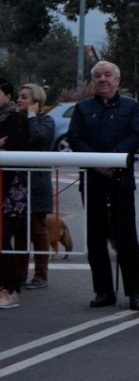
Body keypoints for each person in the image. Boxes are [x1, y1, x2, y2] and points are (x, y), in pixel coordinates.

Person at [68, 61, 139, 310]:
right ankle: (103, 290)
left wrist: (113, 159)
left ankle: (135, 292)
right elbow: (75, 137)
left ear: (117, 79)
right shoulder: (82, 109)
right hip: (92, 181)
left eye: (108, 75)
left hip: (121, 180)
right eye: (98, 76)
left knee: (126, 237)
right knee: (96, 238)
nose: (103, 79)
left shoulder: (132, 107)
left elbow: (135, 136)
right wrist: (96, 162)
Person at [13, 84, 55, 290]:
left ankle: (41, 274)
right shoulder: (16, 120)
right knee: (19, 230)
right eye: (18, 97)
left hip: (37, 183)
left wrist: (31, 117)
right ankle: (19, 274)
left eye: (23, 97)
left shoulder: (46, 120)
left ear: (35, 102)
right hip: (17, 183)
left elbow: (40, 137)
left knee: (38, 230)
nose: (18, 100)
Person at [0, 78, 30, 309]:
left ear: (8, 96)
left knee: (2, 237)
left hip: (8, 186)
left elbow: (15, 146)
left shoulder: (16, 118)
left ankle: (9, 288)